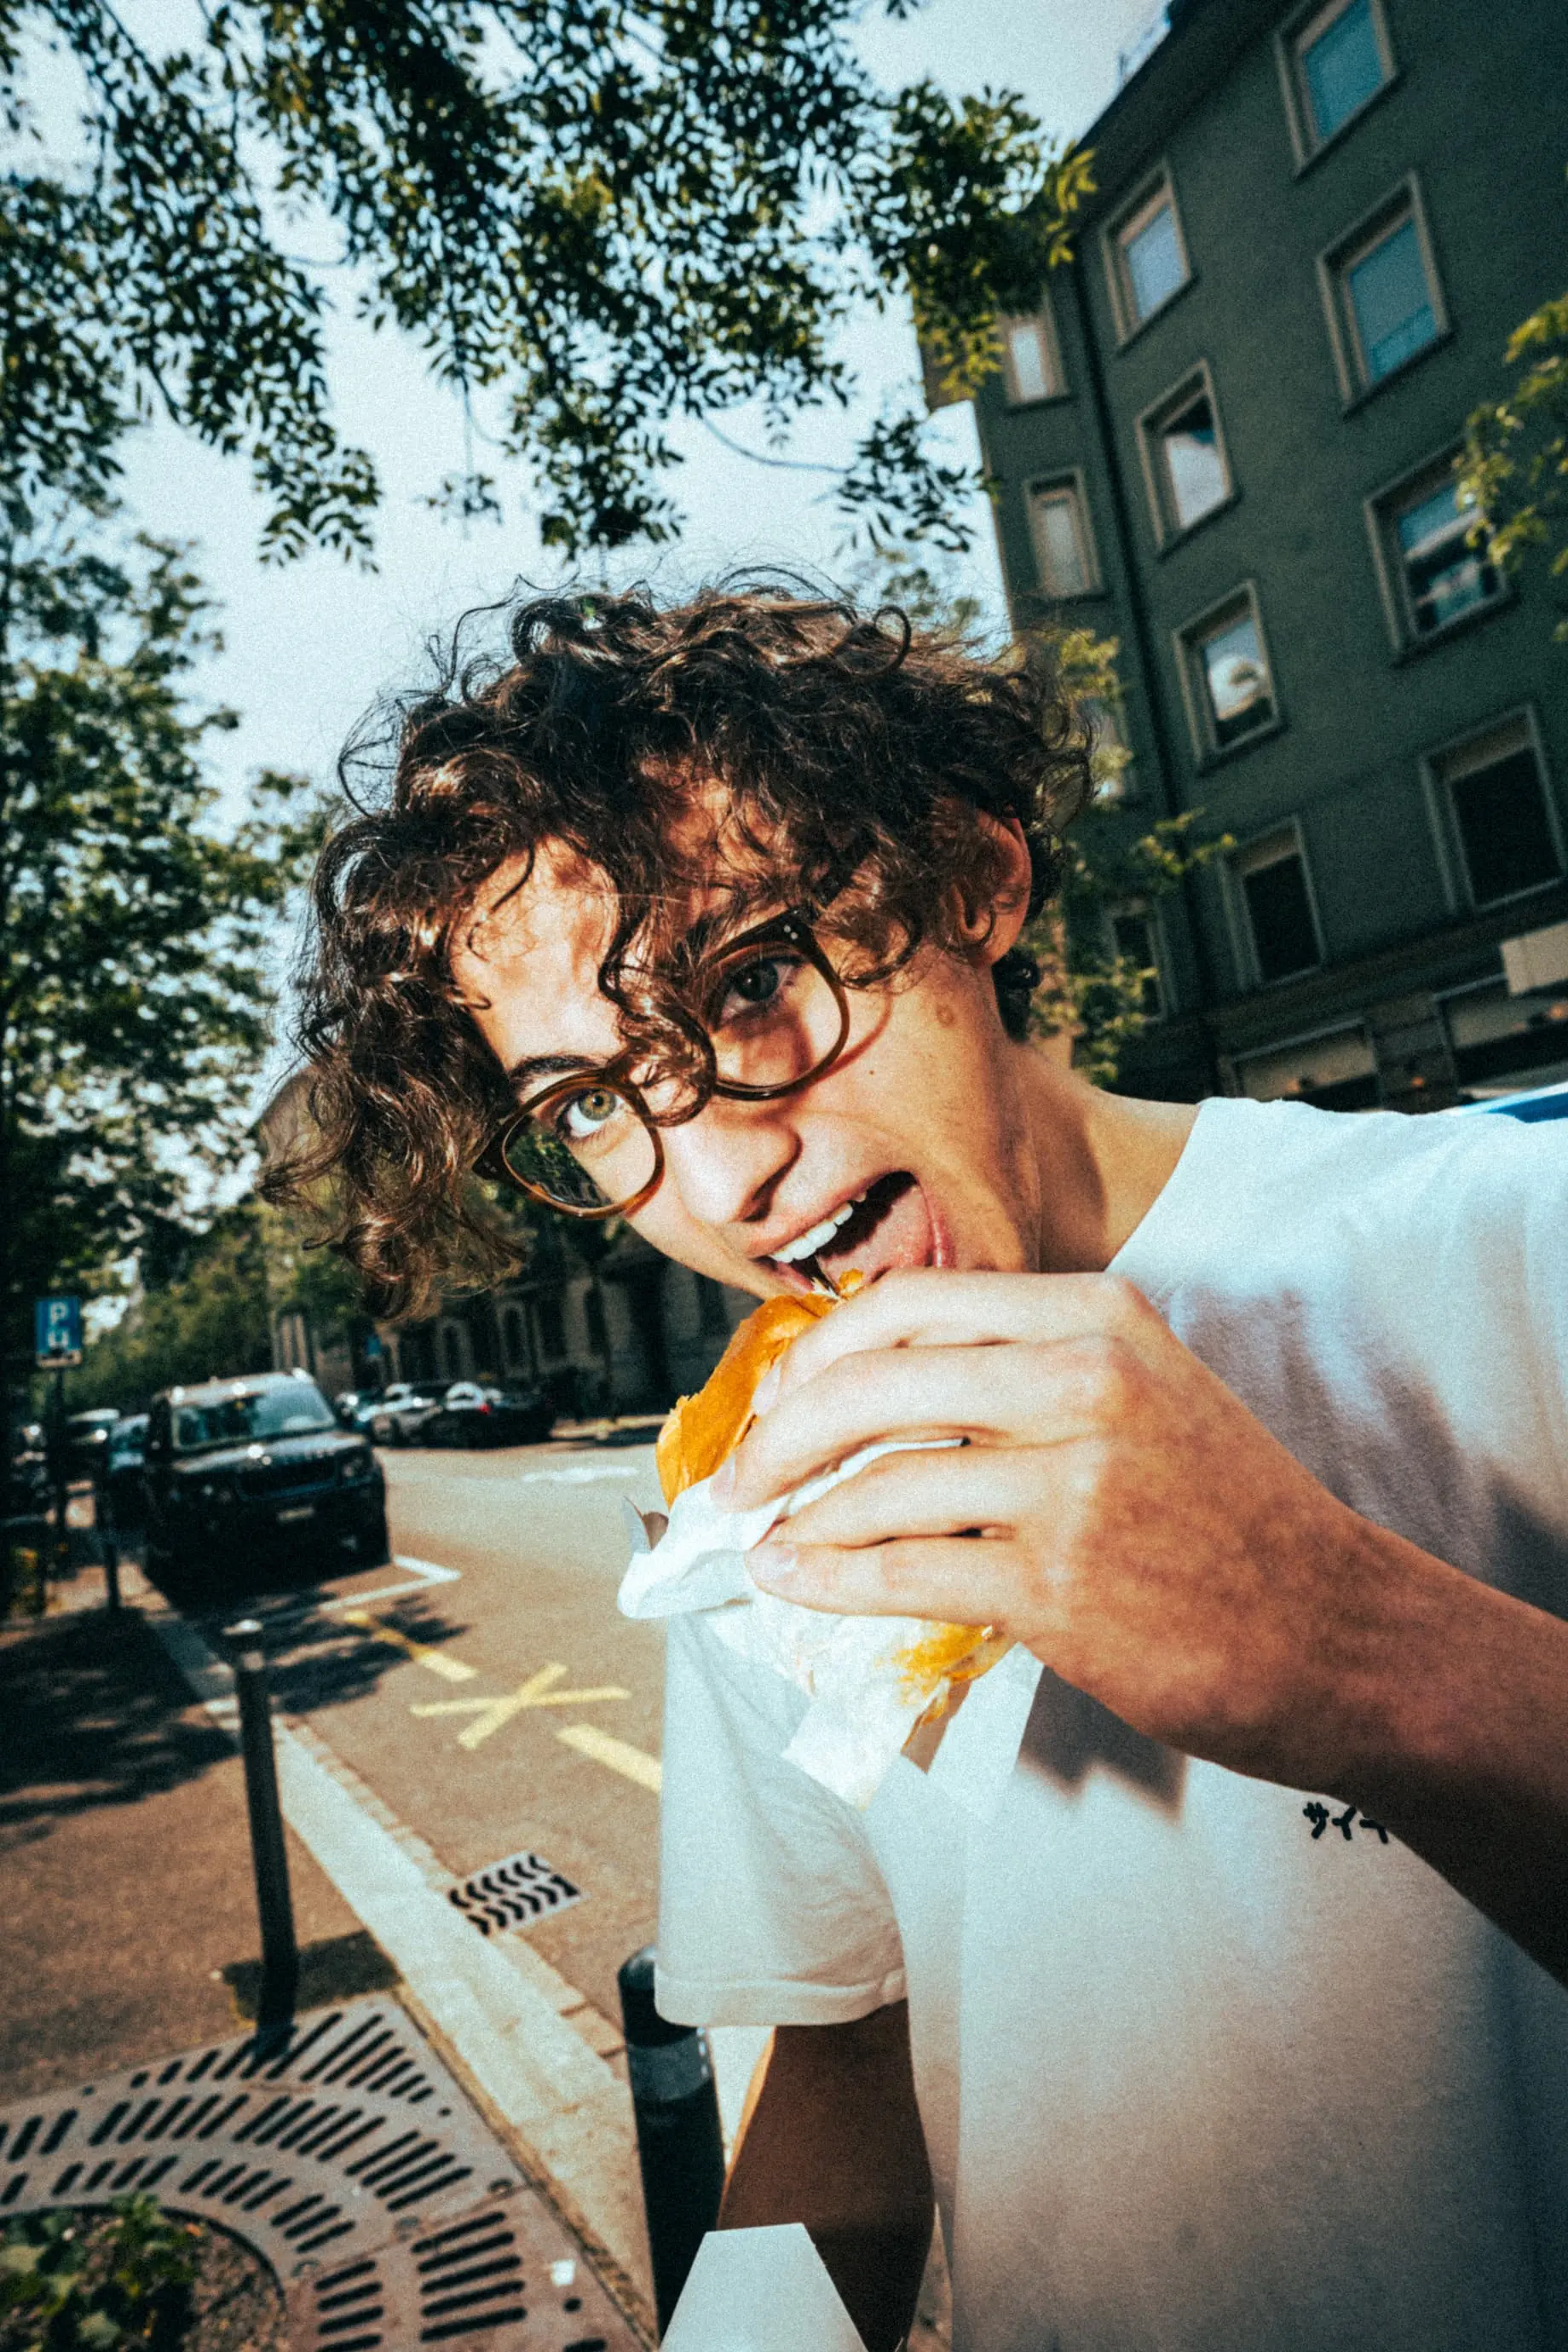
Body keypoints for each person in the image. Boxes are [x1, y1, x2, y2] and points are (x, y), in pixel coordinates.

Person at [274, 585, 1568, 2352]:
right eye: (589, 1104)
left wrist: (1354, 1653)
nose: (714, 1178)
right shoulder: (753, 1492)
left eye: (748, 980)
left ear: (971, 876)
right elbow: (844, 2068)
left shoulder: (1512, 1254)